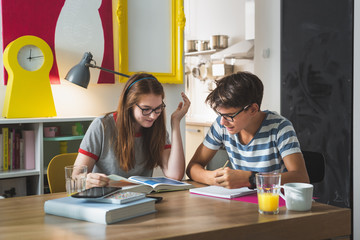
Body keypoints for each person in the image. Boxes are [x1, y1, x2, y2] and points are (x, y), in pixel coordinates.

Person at [186, 71, 309, 189]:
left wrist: (251, 179)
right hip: (242, 202)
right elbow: (192, 167)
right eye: (220, 114)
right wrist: (212, 178)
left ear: (253, 109)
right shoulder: (221, 125)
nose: (223, 122)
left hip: (274, 205)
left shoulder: (280, 128)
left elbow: (301, 178)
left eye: (230, 115)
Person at [74, 72, 190, 189]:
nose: (153, 116)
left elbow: (175, 175)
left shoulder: (157, 129)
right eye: (146, 109)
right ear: (129, 104)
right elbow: (75, 178)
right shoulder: (101, 126)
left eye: (158, 108)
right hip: (105, 199)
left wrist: (175, 123)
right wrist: (86, 180)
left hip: (140, 200)